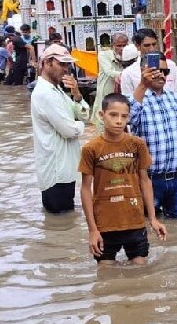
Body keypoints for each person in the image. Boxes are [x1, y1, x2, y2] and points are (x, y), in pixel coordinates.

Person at [79, 92, 167, 265]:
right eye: (113, 115)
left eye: (124, 116)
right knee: (105, 272)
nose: (119, 121)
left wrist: (152, 218)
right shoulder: (91, 149)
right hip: (105, 224)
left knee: (140, 271)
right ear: (101, 115)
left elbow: (145, 181)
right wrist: (92, 230)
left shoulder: (137, 144)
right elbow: (85, 188)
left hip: (135, 221)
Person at [130, 51, 177, 219]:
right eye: (156, 70)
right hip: (149, 179)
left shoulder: (175, 98)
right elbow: (128, 119)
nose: (161, 75)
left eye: (165, 71)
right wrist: (142, 85)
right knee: (147, 223)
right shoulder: (136, 99)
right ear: (144, 71)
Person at [30, 44, 91, 214]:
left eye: (67, 65)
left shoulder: (57, 90)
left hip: (65, 168)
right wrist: (81, 126)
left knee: (64, 218)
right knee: (60, 219)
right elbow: (69, 130)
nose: (66, 69)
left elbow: (83, 115)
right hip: (56, 171)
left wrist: (77, 94)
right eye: (61, 64)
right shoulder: (45, 93)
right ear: (47, 63)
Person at [119, 28, 177, 107]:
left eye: (154, 44)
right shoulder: (129, 73)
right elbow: (127, 103)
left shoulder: (170, 65)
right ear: (137, 46)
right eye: (147, 45)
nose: (151, 49)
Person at [90, 32, 131, 131]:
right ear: (112, 45)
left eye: (124, 45)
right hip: (106, 96)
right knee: (104, 126)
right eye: (119, 46)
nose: (122, 49)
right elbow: (110, 72)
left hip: (123, 99)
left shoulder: (131, 56)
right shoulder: (103, 55)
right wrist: (129, 74)